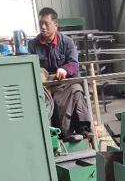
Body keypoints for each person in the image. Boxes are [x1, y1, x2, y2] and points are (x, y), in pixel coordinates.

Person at [28, 7, 91, 141]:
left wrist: (65, 69)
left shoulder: (67, 42)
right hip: (44, 87)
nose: (43, 27)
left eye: (46, 24)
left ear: (55, 24)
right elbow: (29, 67)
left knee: (77, 90)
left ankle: (82, 130)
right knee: (45, 101)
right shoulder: (33, 45)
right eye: (41, 24)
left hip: (63, 84)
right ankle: (53, 136)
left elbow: (74, 63)